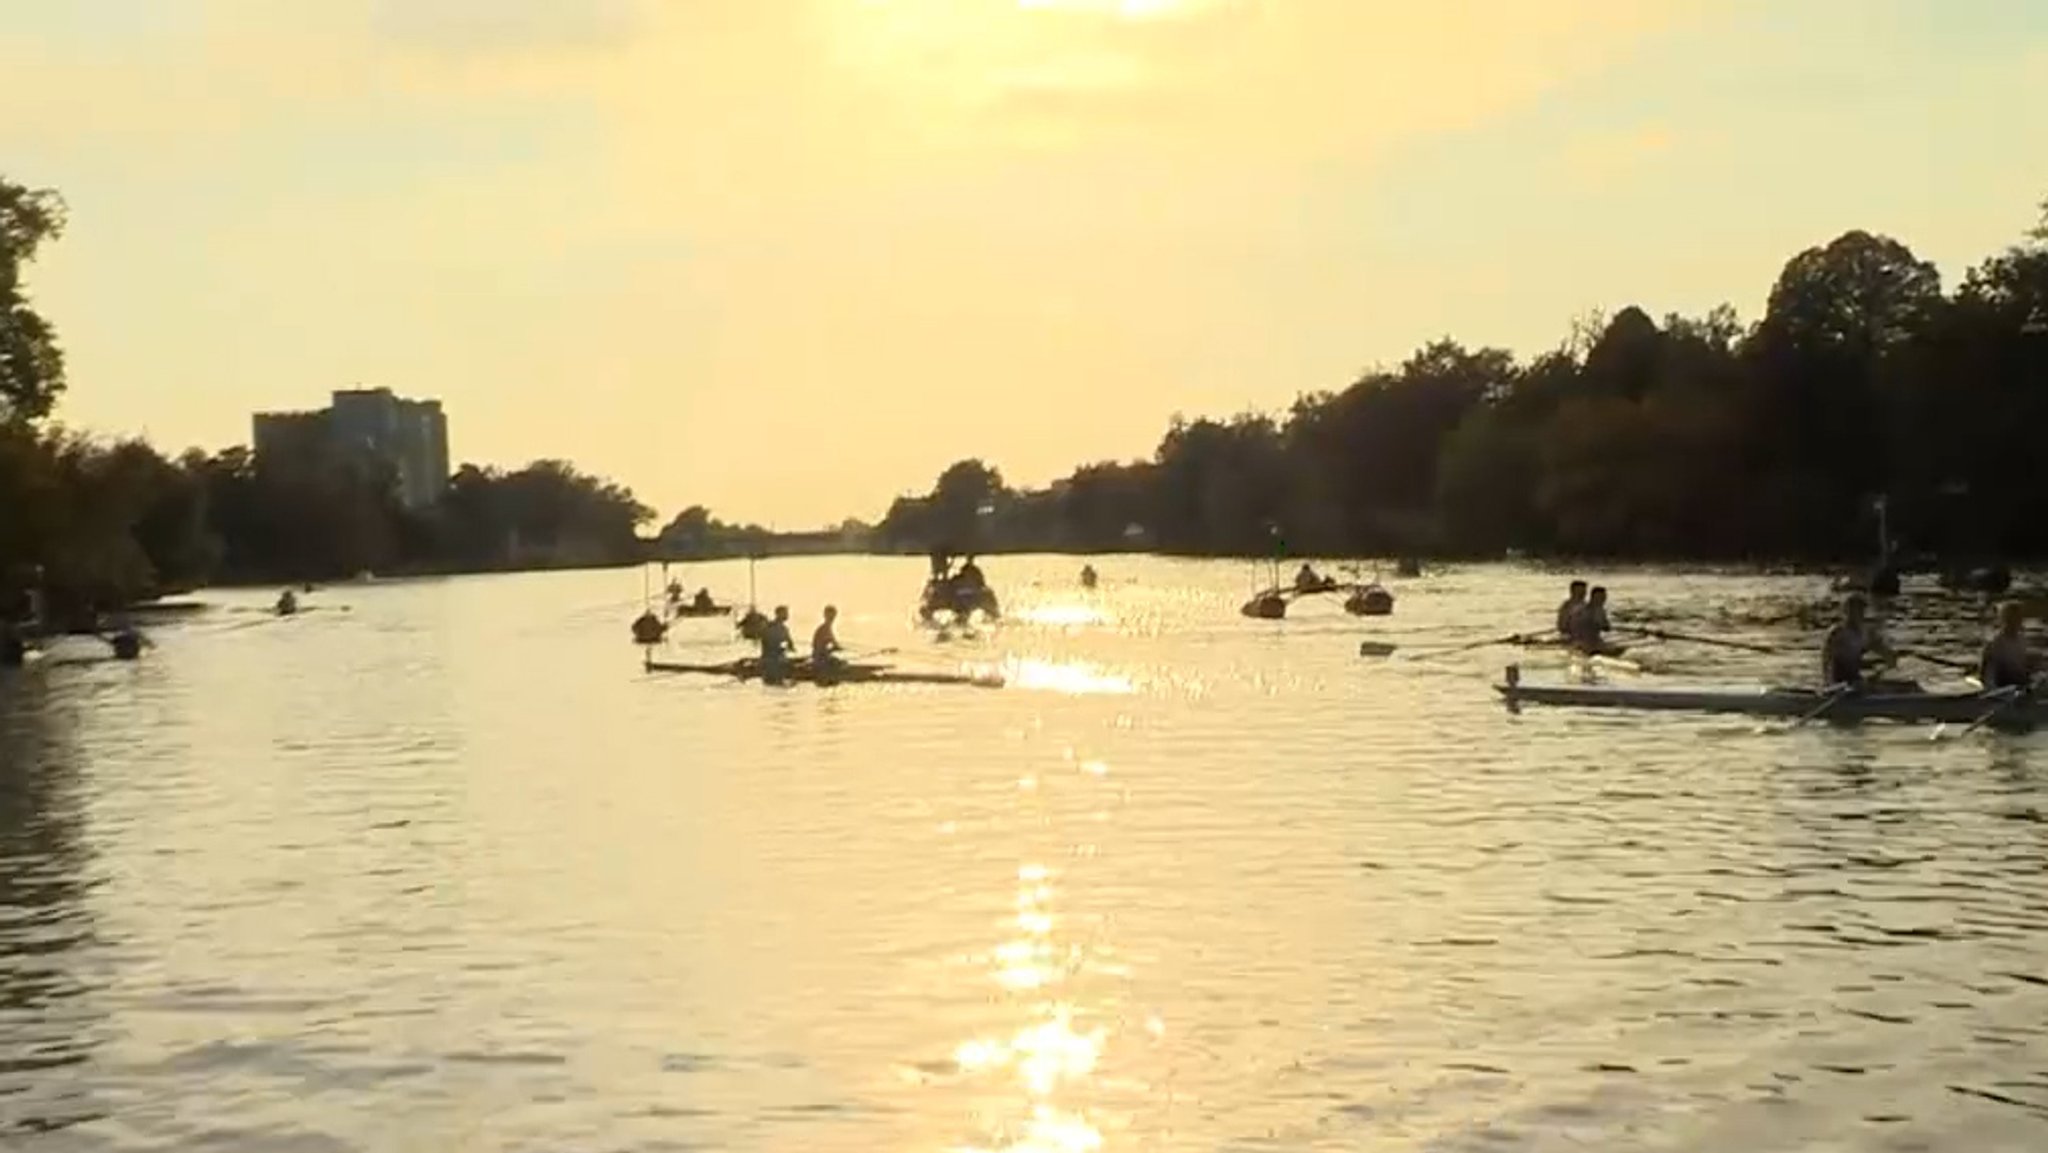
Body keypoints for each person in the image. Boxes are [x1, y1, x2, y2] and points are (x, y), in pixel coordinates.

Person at [1820, 593, 1894, 690]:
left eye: (1860, 610)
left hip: (1855, 681)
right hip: (1838, 683)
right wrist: (1827, 682)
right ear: (1845, 612)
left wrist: (1881, 669)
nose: (1857, 614)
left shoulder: (1865, 634)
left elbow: (1887, 655)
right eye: (1853, 611)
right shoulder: (1837, 633)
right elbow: (1826, 659)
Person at [1978, 601, 2037, 692]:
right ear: (2004, 620)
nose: (2017, 622)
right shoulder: (1995, 644)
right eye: (2012, 619)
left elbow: (2025, 667)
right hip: (2002, 689)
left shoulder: (2022, 640)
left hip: (2020, 686)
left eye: (2019, 619)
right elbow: (1985, 674)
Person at [1568, 585, 1616, 655]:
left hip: (1575, 642)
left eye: (1604, 597)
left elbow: (1569, 625)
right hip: (1592, 644)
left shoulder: (1578, 608)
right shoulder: (1598, 610)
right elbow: (1605, 627)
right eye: (1602, 598)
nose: (1603, 600)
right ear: (1594, 597)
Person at [758, 605, 795, 683]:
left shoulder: (783, 629)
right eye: (785, 613)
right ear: (778, 614)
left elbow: (790, 646)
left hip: (775, 661)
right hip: (772, 662)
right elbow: (769, 644)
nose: (787, 615)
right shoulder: (772, 627)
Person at [811, 605, 845, 676]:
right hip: (820, 658)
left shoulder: (827, 628)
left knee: (840, 662)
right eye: (830, 616)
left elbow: (833, 644)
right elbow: (818, 646)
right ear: (825, 616)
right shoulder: (824, 629)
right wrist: (836, 648)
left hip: (822, 656)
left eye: (833, 615)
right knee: (841, 664)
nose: (832, 618)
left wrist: (835, 648)